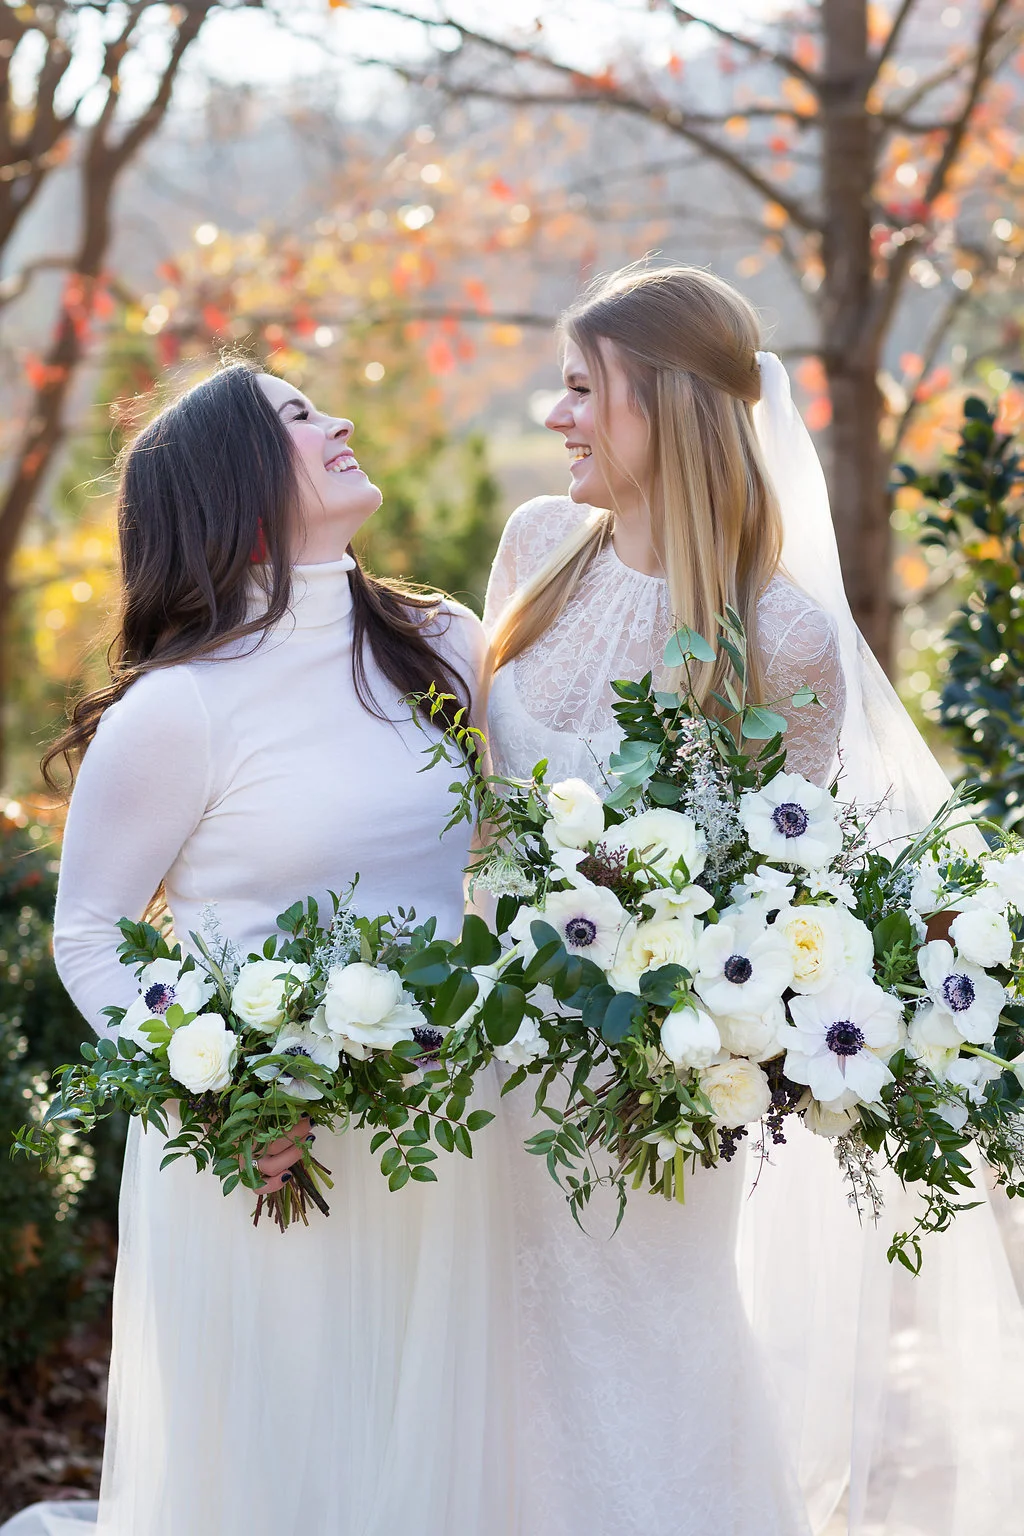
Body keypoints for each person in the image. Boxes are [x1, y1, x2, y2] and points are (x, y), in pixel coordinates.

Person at [482, 262, 1024, 1536]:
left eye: (580, 390)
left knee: (651, 1350)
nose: (555, 416)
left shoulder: (780, 635)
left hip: (656, 1079)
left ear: (665, 405)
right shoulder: (532, 548)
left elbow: (791, 889)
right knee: (499, 1361)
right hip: (495, 1048)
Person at [3, 363, 517, 1536]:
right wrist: (224, 1097)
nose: (336, 421)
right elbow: (90, 930)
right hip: (267, 1157)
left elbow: (512, 856)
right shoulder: (178, 711)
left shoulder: (442, 645)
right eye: (297, 417)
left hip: (443, 1139)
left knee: (429, 1455)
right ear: (232, 487)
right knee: (286, 1471)